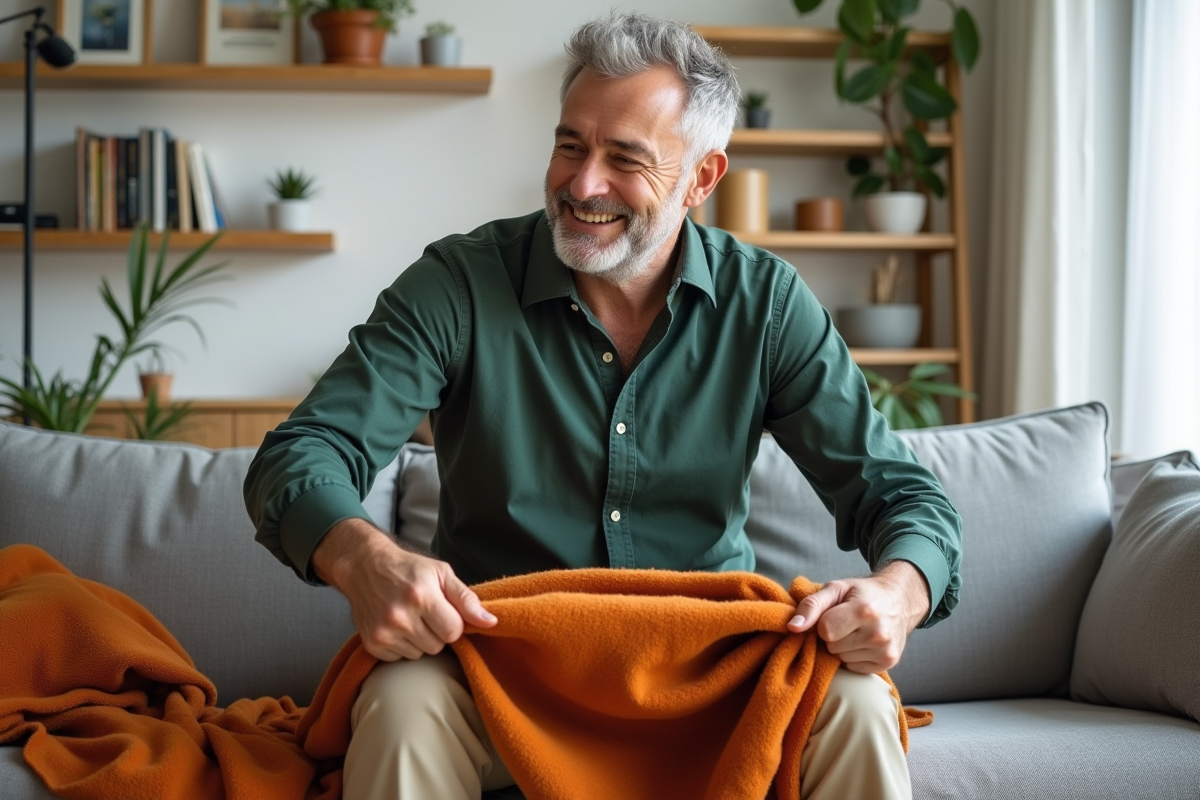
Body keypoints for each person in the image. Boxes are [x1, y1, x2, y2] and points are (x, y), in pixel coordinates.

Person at [244, 12, 962, 800]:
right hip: (497, 674)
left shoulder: (767, 305)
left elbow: (902, 495)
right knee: (402, 699)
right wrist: (364, 558)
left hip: (711, 680)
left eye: (625, 159)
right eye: (570, 145)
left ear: (702, 178)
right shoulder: (459, 283)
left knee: (857, 702)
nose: (583, 185)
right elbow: (301, 452)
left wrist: (897, 593)